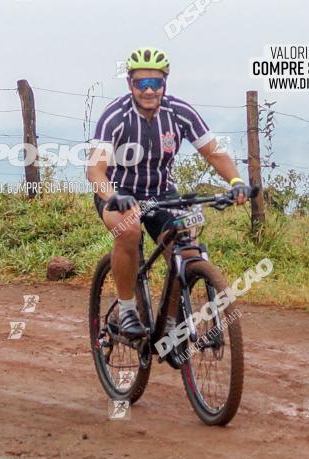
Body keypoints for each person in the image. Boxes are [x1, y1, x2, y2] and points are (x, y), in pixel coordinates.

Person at [86, 47, 248, 339]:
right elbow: (95, 170)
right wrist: (112, 197)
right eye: (141, 83)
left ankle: (171, 326)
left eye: (155, 83)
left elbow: (214, 153)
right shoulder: (115, 116)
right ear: (130, 85)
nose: (149, 90)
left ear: (165, 84)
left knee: (185, 250)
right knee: (129, 229)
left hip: (162, 195)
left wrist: (236, 181)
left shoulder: (180, 113)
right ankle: (127, 311)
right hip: (118, 193)